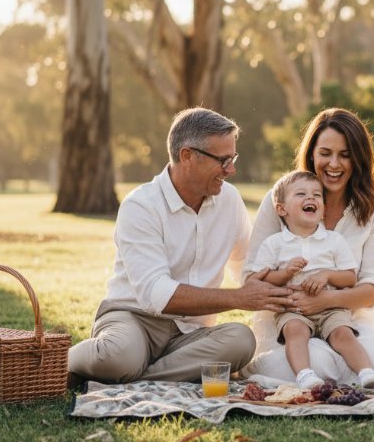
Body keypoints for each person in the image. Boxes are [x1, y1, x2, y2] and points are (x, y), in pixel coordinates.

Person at [68, 108, 295, 384]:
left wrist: (288, 283)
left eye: (232, 158)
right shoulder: (141, 206)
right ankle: (64, 361)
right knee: (118, 356)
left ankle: (140, 377)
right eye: (223, 160)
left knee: (241, 340)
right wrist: (239, 297)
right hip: (134, 318)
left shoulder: (230, 201)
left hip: (191, 334)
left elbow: (249, 265)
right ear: (187, 156)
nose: (231, 170)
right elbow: (156, 294)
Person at [241, 108, 374, 387]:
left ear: (358, 158)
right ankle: (315, 371)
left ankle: (349, 371)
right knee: (317, 360)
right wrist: (294, 297)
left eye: (345, 155)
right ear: (311, 154)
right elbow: (251, 279)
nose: (334, 164)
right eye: (325, 153)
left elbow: (371, 290)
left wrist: (324, 301)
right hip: (287, 323)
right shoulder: (282, 199)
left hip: (347, 321)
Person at [247, 170, 374, 389]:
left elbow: (350, 278)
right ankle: (305, 375)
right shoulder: (274, 244)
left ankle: (367, 373)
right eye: (301, 194)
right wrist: (284, 274)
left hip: (332, 308)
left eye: (317, 195)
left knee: (343, 333)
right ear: (281, 209)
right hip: (293, 310)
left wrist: (327, 275)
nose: (310, 198)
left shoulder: (334, 240)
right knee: (295, 331)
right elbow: (257, 279)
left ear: (323, 210)